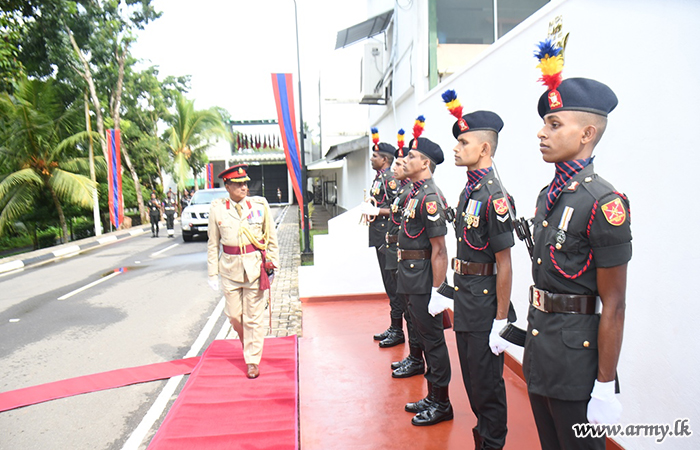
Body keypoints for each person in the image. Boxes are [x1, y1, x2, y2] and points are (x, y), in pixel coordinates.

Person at [525, 40, 631, 450]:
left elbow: (615, 303)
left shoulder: (604, 203)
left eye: (554, 124)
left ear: (587, 133)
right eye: (544, 123)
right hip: (541, 350)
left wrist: (604, 383)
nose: (541, 132)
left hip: (576, 362)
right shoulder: (548, 196)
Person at [437, 90, 517, 450]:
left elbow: (505, 263)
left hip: (485, 305)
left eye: (463, 141)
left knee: (487, 386)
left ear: (484, 149)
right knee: (472, 382)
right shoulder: (468, 192)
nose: (456, 147)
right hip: (467, 299)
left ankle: (492, 443)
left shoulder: (493, 197)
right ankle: (482, 439)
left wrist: (501, 319)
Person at [398, 116, 452, 426]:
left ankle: (442, 402)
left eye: (413, 156)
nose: (406, 159)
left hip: (422, 279)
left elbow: (440, 248)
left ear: (427, 163)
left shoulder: (430, 197)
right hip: (409, 273)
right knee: (420, 334)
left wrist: (438, 290)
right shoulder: (415, 193)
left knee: (433, 341)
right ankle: (433, 396)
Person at [207, 164, 280, 379]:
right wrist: (212, 273)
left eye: (245, 184)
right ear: (227, 186)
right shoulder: (218, 208)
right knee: (234, 316)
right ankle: (249, 342)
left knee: (253, 318)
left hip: (254, 268)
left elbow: (271, 237)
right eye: (238, 185)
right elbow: (213, 243)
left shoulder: (259, 205)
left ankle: (252, 360)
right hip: (229, 269)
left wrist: (273, 264)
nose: (244, 188)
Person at [386, 130, 424, 379]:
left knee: (419, 321)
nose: (399, 166)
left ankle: (416, 360)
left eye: (405, 160)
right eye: (400, 161)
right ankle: (413, 356)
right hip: (403, 258)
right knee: (408, 313)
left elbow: (438, 246)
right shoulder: (408, 192)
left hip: (417, 267)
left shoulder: (421, 194)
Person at [360, 128, 402, 348]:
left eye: (375, 156)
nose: (371, 158)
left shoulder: (390, 179)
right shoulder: (378, 179)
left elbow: (398, 207)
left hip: (388, 239)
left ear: (385, 159)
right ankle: (394, 327)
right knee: (389, 285)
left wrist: (378, 211)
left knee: (393, 285)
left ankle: (398, 329)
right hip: (379, 237)